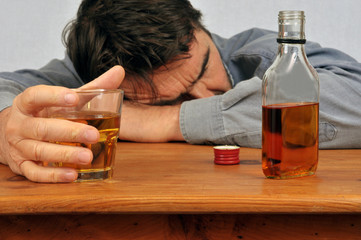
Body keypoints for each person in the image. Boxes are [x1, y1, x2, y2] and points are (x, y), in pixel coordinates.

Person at [1, 0, 361, 183]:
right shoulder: (95, 82)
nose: (206, 96)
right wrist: (5, 126)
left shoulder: (266, 54)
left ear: (197, 25)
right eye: (172, 99)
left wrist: (168, 120)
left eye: (203, 71)